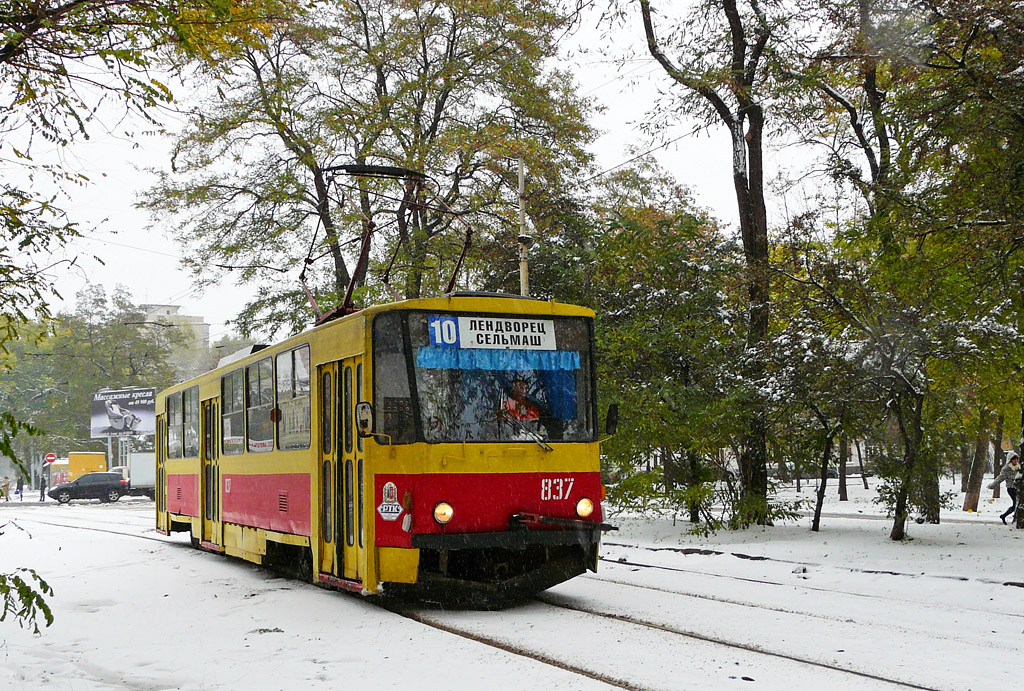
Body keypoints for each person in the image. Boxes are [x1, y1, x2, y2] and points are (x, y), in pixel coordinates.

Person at [989, 452, 1022, 525]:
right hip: (1011, 488)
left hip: (1018, 489)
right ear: (1010, 460)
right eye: (1014, 459)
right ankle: (1014, 519)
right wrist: (993, 485)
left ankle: (1004, 516)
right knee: (1016, 504)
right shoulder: (1006, 468)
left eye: (1017, 459)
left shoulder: (1019, 467)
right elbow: (1000, 478)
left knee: (1017, 504)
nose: (1016, 461)